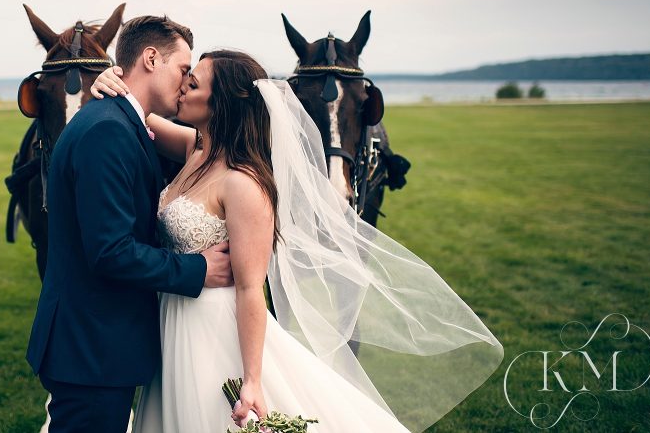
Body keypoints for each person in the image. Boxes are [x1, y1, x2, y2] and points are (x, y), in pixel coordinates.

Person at [92, 50, 503, 432]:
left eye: (193, 84)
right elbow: (138, 114)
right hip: (173, 319)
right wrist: (110, 79)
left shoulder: (242, 184)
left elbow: (253, 289)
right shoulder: (194, 150)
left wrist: (252, 379)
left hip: (213, 329)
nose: (182, 88)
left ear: (224, 104)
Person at [26, 15, 234, 433]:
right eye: (182, 69)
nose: (186, 81)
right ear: (151, 58)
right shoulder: (108, 130)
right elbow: (111, 252)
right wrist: (198, 269)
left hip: (99, 344)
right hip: (92, 349)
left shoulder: (119, 121)